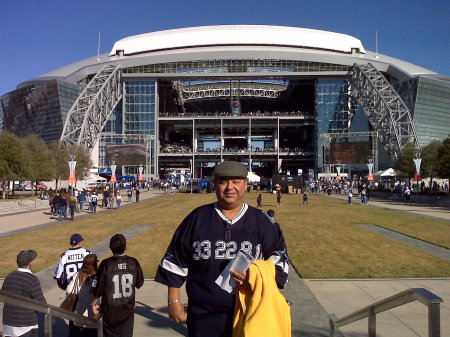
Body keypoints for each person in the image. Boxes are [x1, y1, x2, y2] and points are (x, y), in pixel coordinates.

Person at [155, 161, 289, 337]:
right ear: (215, 184)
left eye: (236, 182)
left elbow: (280, 262)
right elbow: (176, 260)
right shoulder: (197, 218)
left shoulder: (263, 222)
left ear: (245, 184)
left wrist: (255, 273)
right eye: (223, 181)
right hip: (204, 315)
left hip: (251, 310)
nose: (229, 188)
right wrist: (174, 300)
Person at [92, 234, 144, 337]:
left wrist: (93, 303)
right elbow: (139, 283)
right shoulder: (133, 262)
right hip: (127, 307)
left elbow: (99, 288)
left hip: (110, 309)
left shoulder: (105, 264)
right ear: (125, 247)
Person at [2, 250, 46, 337]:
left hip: (8, 324)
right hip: (27, 326)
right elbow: (42, 305)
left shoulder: (9, 277)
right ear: (30, 263)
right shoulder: (32, 279)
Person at [66, 254, 99, 337]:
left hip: (76, 312)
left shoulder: (78, 275)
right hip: (92, 314)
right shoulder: (97, 277)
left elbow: (69, 290)